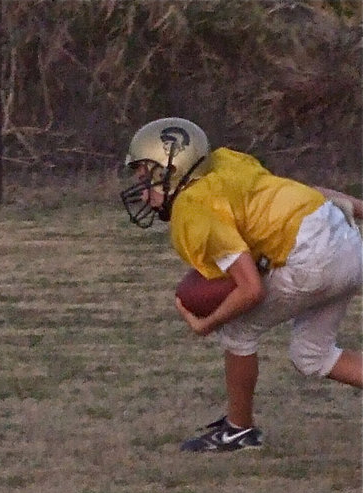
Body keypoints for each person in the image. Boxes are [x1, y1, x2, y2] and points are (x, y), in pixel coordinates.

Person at [119, 117, 363, 452]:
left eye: (146, 178)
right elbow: (303, 193)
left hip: (313, 256)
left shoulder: (193, 208)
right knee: (311, 355)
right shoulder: (225, 160)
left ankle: (238, 430)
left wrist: (206, 323)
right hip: (346, 240)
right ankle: (238, 425)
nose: (142, 192)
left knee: (237, 332)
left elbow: (250, 289)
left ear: (171, 172)